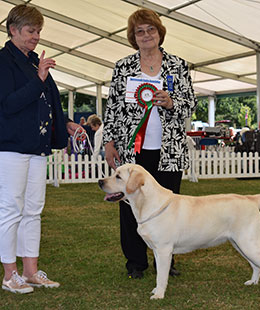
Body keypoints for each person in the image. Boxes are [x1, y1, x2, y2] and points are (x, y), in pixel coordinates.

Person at [103, 8, 197, 279]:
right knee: (129, 206)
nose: (145, 35)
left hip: (169, 151)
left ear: (159, 33)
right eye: (139, 32)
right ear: (133, 37)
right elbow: (114, 108)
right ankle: (135, 262)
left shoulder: (178, 65)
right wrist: (110, 141)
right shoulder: (123, 66)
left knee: (169, 207)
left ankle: (166, 260)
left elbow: (190, 103)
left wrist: (171, 102)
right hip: (132, 151)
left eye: (150, 30)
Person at [0, 4, 83, 294]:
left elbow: (47, 101)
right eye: (30, 31)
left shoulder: (35, 60)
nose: (36, 36)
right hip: (10, 147)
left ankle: (30, 271)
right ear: (13, 30)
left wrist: (68, 123)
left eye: (38, 31)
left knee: (33, 210)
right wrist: (39, 79)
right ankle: (10, 274)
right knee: (11, 209)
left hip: (37, 146)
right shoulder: (3, 62)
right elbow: (8, 104)